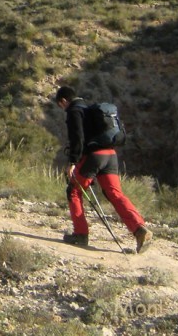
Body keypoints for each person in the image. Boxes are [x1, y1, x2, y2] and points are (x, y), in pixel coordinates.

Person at [54, 85, 153, 253]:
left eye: (61, 105)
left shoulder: (74, 111)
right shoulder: (89, 109)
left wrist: (72, 162)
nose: (63, 108)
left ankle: (80, 234)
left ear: (63, 101)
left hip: (93, 156)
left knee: (74, 190)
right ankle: (139, 229)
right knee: (115, 193)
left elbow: (77, 137)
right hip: (110, 154)